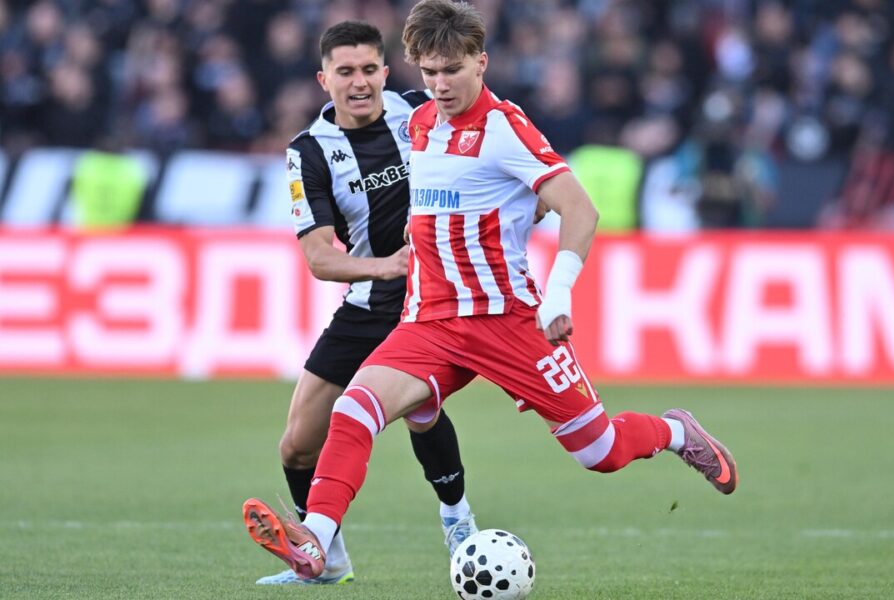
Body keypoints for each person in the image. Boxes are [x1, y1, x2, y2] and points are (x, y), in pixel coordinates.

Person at [243, 0, 739, 581]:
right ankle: (318, 543)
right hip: (431, 319)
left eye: (451, 70)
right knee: (355, 407)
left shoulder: (504, 128)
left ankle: (677, 431)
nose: (439, 84)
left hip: (508, 319)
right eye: (428, 72)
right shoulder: (421, 123)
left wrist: (558, 295)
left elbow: (579, 210)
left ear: (482, 61)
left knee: (599, 452)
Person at [247, 20, 479, 586]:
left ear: (385, 71)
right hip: (369, 300)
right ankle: (326, 563)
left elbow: (489, 142)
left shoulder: (423, 109)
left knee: (418, 410)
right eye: (345, 72)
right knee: (299, 443)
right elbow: (320, 258)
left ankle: (459, 522)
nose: (359, 83)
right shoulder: (309, 152)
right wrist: (385, 265)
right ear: (323, 79)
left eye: (369, 69)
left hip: (434, 299)